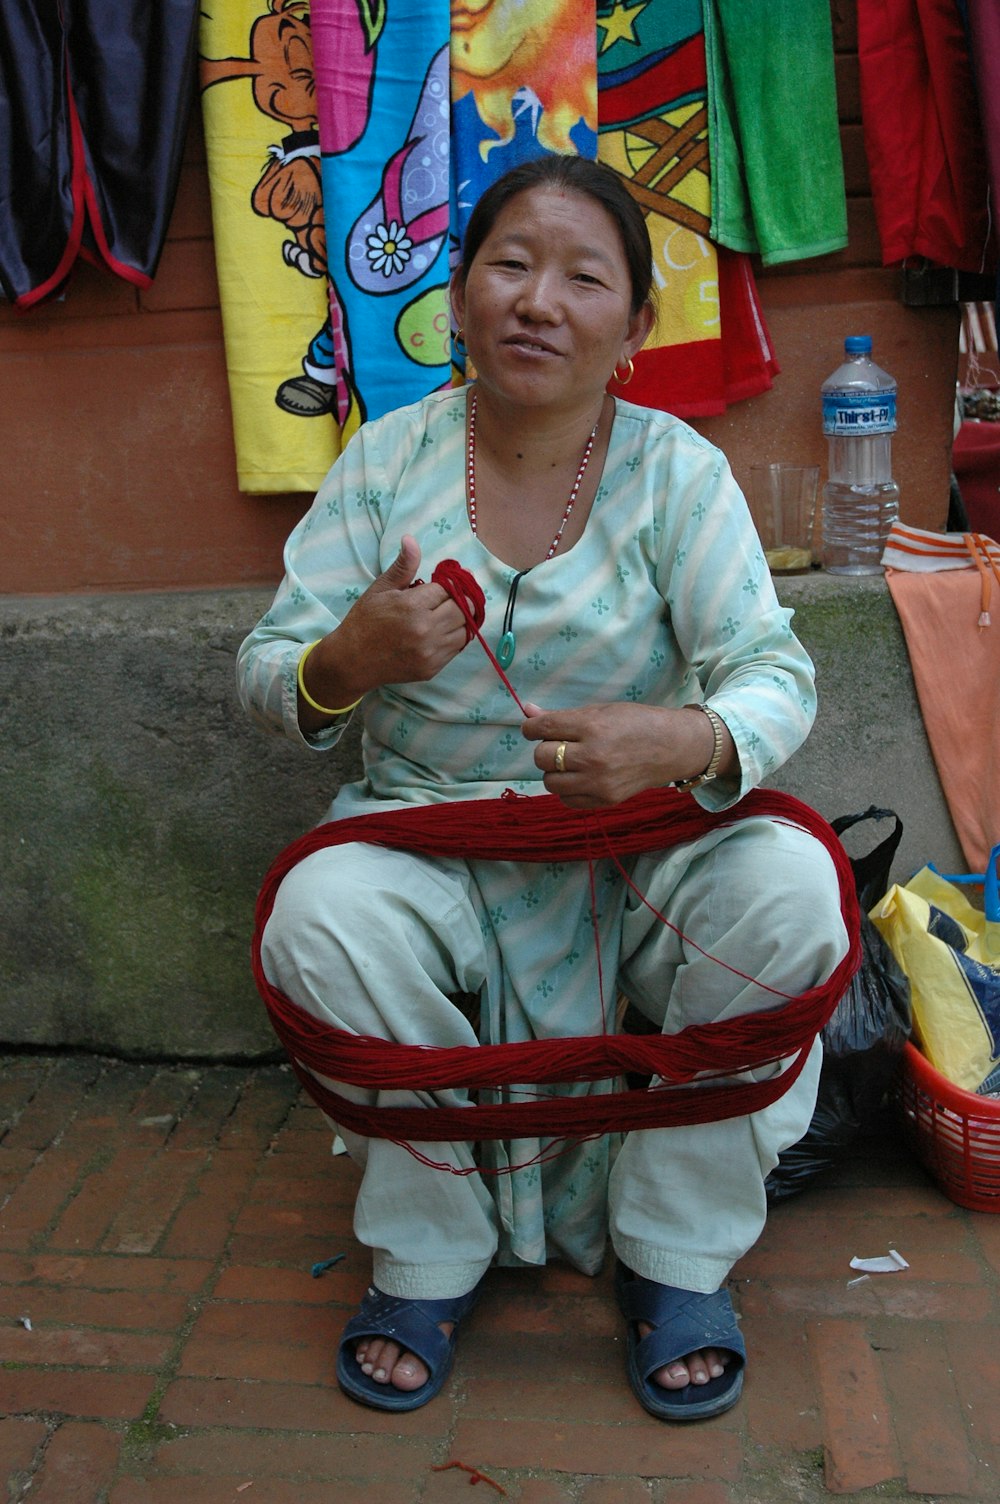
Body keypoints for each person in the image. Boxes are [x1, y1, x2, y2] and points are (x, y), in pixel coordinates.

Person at [237, 154, 850, 1423]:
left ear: (633, 329)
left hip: (641, 854)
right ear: (459, 297)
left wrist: (681, 740)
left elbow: (772, 670)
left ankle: (672, 1253)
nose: (537, 300)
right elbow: (267, 674)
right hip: (431, 842)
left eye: (583, 278)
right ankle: (430, 1248)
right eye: (509, 265)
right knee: (317, 913)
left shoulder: (676, 473)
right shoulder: (384, 462)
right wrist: (349, 659)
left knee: (794, 883)